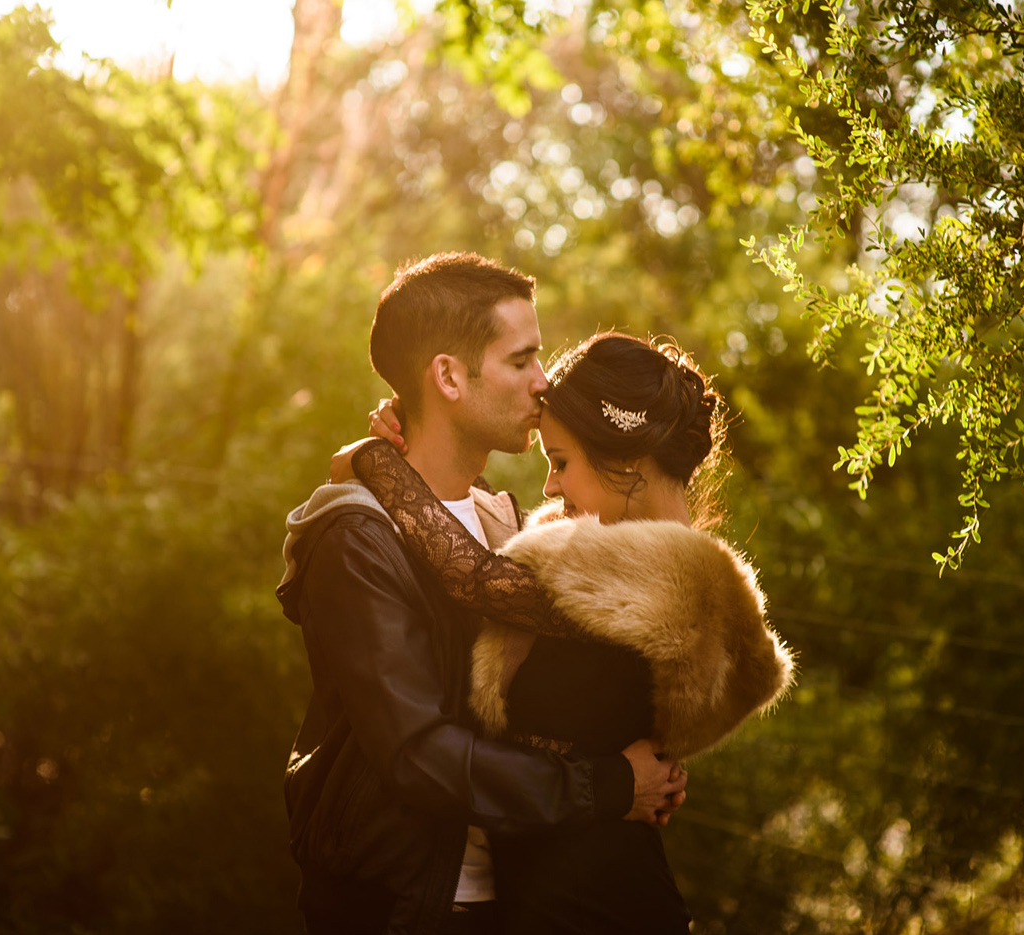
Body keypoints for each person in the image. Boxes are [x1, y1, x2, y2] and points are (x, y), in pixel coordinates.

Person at [277, 253, 688, 935]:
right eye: (522, 359)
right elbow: (417, 754)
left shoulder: (506, 519)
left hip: (525, 899)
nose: (544, 382)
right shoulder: (357, 537)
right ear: (448, 376)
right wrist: (610, 785)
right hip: (412, 907)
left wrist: (648, 765)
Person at [339, 332, 795, 934]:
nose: (549, 487)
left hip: (602, 905)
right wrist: (421, 432)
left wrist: (377, 460)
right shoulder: (613, 562)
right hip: (552, 897)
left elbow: (472, 578)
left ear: (625, 461)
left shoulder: (679, 578)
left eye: (560, 463)